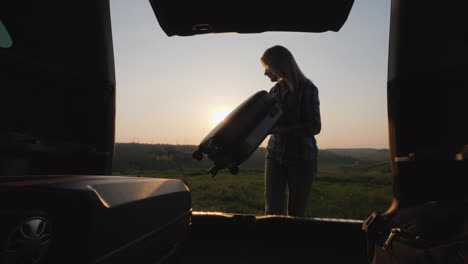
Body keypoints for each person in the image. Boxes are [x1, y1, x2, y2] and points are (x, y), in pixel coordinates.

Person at [261, 45, 321, 217]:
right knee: (272, 211)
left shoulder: (308, 88)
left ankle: (292, 243)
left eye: (267, 68)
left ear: (279, 66)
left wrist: (282, 130)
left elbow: (315, 126)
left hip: (302, 156)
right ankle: (273, 243)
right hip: (274, 154)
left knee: (296, 213)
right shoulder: (273, 92)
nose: (265, 73)